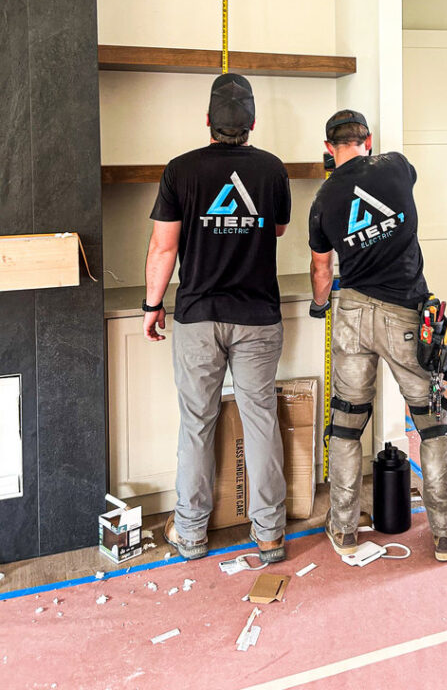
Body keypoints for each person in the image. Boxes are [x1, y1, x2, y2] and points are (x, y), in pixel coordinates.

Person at [143, 73, 291, 561]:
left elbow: (163, 247)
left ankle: (190, 532)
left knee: (196, 423)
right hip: (257, 316)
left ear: (208, 120)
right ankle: (269, 534)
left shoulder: (181, 170)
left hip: (199, 316)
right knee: (260, 419)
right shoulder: (272, 169)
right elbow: (278, 228)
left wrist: (151, 305)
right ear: (253, 123)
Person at [308, 110, 447, 561]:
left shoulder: (323, 199)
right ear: (368, 140)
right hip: (405, 316)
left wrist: (320, 305)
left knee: (346, 423)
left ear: (328, 148)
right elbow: (395, 182)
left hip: (353, 313)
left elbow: (321, 269)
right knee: (432, 423)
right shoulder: (394, 166)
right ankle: (445, 534)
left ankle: (343, 528)